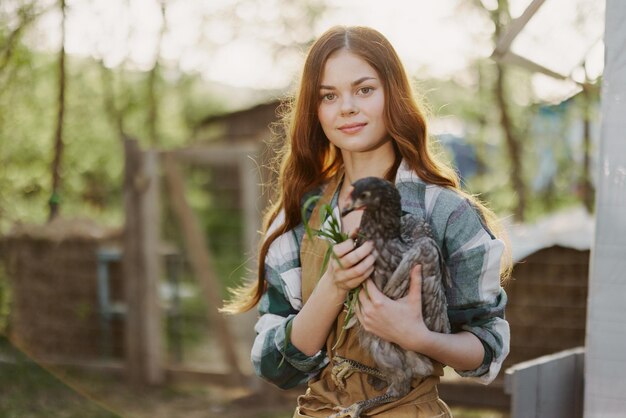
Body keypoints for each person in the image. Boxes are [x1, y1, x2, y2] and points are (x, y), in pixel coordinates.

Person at [222, 26, 511, 417]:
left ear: (394, 95)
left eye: (364, 90)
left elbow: (487, 350)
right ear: (315, 110)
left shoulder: (446, 212)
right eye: (328, 95)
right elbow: (274, 366)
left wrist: (418, 337)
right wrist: (333, 286)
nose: (347, 108)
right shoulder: (298, 220)